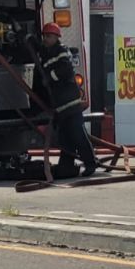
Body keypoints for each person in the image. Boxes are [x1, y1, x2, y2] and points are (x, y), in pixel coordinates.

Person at [38, 23, 97, 178]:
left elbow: (65, 71)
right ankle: (66, 166)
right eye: (44, 36)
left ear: (57, 37)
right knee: (65, 138)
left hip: (70, 104)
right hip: (60, 106)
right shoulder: (46, 53)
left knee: (77, 135)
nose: (45, 39)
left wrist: (49, 78)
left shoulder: (61, 51)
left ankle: (91, 163)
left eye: (49, 36)